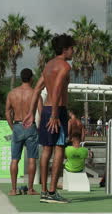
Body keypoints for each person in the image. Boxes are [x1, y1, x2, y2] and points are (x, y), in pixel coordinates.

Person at [24, 34, 75, 203]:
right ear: (65, 49)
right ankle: (52, 192)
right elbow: (57, 89)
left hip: (45, 110)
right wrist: (55, 114)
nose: (73, 51)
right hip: (57, 111)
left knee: (46, 150)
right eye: (72, 48)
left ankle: (44, 191)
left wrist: (31, 112)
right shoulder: (65, 66)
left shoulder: (48, 66)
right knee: (59, 147)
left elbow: (37, 89)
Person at [5, 68, 42, 196]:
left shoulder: (12, 93)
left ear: (21, 78)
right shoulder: (35, 93)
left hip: (17, 126)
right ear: (31, 78)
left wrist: (12, 127)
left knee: (15, 159)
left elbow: (7, 112)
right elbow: (41, 113)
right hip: (30, 126)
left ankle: (14, 190)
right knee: (32, 158)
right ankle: (31, 189)